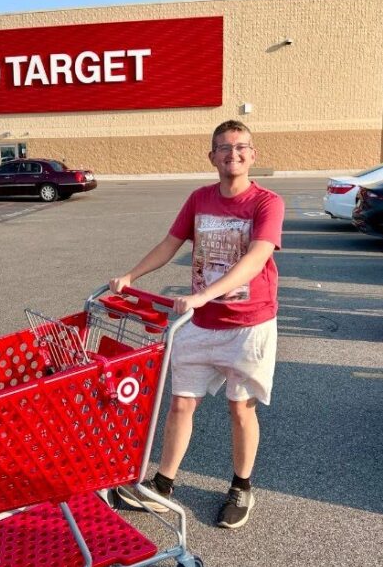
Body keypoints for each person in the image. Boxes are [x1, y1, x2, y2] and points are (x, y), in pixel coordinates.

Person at [111, 120, 284, 529]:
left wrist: (205, 294)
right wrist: (132, 276)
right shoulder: (199, 199)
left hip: (249, 325)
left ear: (252, 155)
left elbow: (257, 258)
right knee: (181, 403)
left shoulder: (267, 203)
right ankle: (163, 484)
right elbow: (170, 244)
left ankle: (242, 486)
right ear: (212, 157)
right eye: (224, 148)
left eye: (241, 147)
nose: (233, 154)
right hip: (200, 324)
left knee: (240, 409)